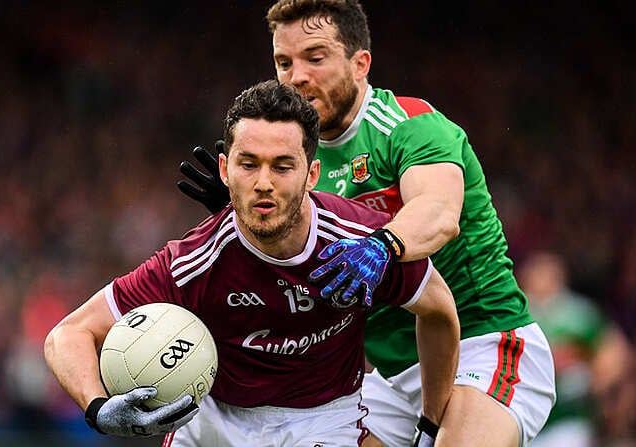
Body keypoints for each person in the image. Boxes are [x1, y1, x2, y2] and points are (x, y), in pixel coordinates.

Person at [177, 1, 556, 446]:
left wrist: (383, 246)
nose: (296, 76)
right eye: (284, 62)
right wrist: (252, 220)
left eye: (314, 58)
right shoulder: (294, 162)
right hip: (390, 379)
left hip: (485, 344)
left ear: (361, 63)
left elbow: (438, 213)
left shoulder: (409, 126)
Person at [45, 79, 460, 446]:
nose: (263, 182)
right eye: (249, 164)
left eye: (282, 166)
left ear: (312, 173)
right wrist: (98, 409)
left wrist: (430, 420)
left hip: (323, 420)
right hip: (213, 420)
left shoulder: (360, 247)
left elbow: (440, 310)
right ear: (226, 169)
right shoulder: (193, 262)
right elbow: (68, 335)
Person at [518, 250, 631, 447]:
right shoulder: (516, 313)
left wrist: (592, 384)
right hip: (524, 417)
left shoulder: (577, 314)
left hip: (567, 420)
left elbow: (615, 353)